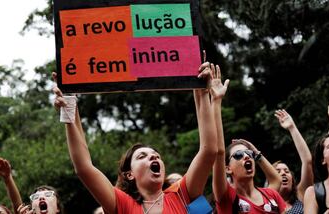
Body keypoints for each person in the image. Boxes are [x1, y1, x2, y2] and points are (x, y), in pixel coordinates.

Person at [53, 59, 217, 213]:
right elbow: (83, 167)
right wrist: (68, 109)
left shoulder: (181, 195)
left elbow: (209, 150)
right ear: (129, 174)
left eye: (156, 156)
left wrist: (202, 91)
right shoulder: (122, 205)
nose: (153, 158)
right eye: (142, 156)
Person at [211, 64, 286, 214]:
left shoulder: (270, 195)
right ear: (227, 168)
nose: (246, 156)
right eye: (238, 155)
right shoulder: (227, 199)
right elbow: (219, 153)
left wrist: (256, 152)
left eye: (249, 154)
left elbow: (276, 180)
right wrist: (217, 101)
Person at [273, 109, 314, 213]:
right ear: (271, 179)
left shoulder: (301, 194)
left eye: (286, 171)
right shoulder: (265, 202)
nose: (283, 173)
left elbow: (307, 161)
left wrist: (292, 127)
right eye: (278, 171)